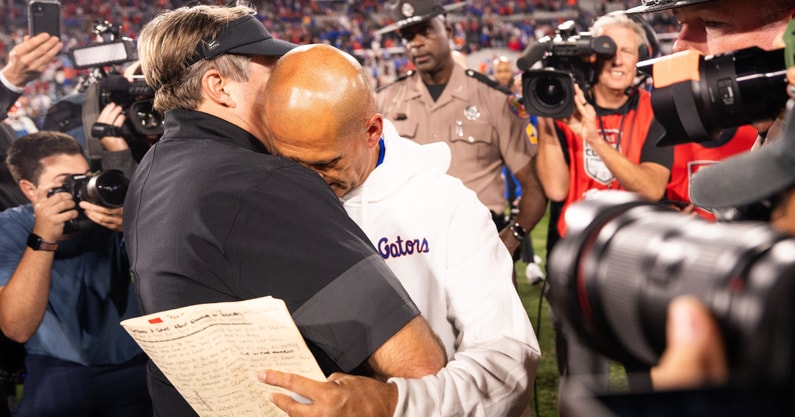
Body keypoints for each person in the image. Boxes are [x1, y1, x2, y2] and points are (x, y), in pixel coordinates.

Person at [124, 6, 446, 415]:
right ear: (219, 86)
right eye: (270, 67)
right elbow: (418, 365)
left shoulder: (151, 171)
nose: (287, 78)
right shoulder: (263, 182)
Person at [259, 43, 540, 417]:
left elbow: (507, 363)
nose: (309, 183)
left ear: (372, 130)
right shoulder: (272, 198)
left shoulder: (446, 206)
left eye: (326, 163)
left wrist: (395, 403)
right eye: (292, 162)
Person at [534, 11, 674, 395]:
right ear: (589, 56)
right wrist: (548, 120)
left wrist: (594, 139)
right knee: (581, 385)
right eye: (606, 48)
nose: (618, 59)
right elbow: (556, 189)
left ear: (640, 56)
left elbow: (650, 187)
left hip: (638, 264)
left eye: (627, 50)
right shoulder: (565, 107)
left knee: (651, 383)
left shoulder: (655, 109)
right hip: (576, 264)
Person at [375, 0, 547, 270]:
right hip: (408, 252)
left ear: (447, 28)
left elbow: (535, 186)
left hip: (479, 246)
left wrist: (510, 239)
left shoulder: (494, 98)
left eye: (425, 32)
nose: (415, 43)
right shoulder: (385, 102)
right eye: (407, 37)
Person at [0, 131, 151, 417]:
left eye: (85, 178)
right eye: (66, 184)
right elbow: (17, 328)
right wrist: (43, 238)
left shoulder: (111, 216)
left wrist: (133, 225)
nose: (82, 190)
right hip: (55, 363)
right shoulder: (8, 229)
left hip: (130, 358)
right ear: (29, 189)